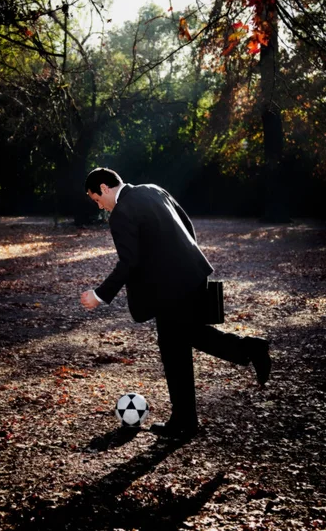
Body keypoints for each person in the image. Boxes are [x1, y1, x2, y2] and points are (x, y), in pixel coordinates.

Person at [80, 168, 271, 438]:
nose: (99, 205)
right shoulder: (153, 189)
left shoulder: (121, 213)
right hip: (193, 272)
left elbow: (129, 262)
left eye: (96, 199)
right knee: (186, 339)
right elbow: (186, 224)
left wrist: (99, 295)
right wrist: (183, 256)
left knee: (175, 349)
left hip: (169, 288)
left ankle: (248, 350)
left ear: (105, 187)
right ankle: (187, 419)